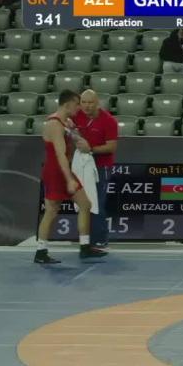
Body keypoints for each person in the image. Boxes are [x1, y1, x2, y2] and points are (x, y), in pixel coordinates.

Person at [36, 90, 105, 264]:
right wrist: (69, 180)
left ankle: (85, 247)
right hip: (56, 171)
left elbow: (75, 140)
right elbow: (60, 155)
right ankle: (40, 252)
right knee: (51, 211)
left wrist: (74, 132)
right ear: (67, 105)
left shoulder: (65, 122)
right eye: (77, 104)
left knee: (85, 204)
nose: (79, 108)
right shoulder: (54, 124)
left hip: (64, 169)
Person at [73, 90, 119, 250]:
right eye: (83, 102)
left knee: (96, 202)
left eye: (90, 102)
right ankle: (86, 238)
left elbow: (111, 147)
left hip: (101, 166)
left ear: (97, 103)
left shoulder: (109, 121)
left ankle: (100, 239)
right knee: (83, 202)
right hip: (81, 165)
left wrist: (90, 149)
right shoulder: (76, 116)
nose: (86, 106)